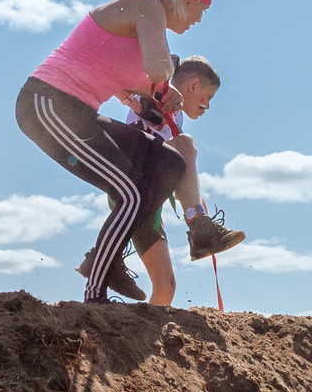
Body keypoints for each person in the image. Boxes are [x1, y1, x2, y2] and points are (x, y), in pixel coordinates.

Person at [17, 0, 224, 303]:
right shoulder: (147, 6)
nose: (199, 19)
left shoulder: (147, 30)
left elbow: (150, 89)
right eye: (200, 9)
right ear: (185, 0)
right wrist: (164, 82)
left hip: (80, 113)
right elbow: (158, 69)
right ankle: (95, 293)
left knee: (171, 163)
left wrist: (161, 92)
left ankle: (107, 258)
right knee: (131, 193)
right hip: (47, 103)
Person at [95, 55, 247, 305]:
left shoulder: (177, 117)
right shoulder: (161, 95)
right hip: (132, 191)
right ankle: (198, 226)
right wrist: (161, 79)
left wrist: (191, 191)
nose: (206, 105)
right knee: (185, 143)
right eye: (207, 97)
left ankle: (143, 342)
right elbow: (148, 94)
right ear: (193, 85)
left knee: (166, 287)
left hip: (149, 205)